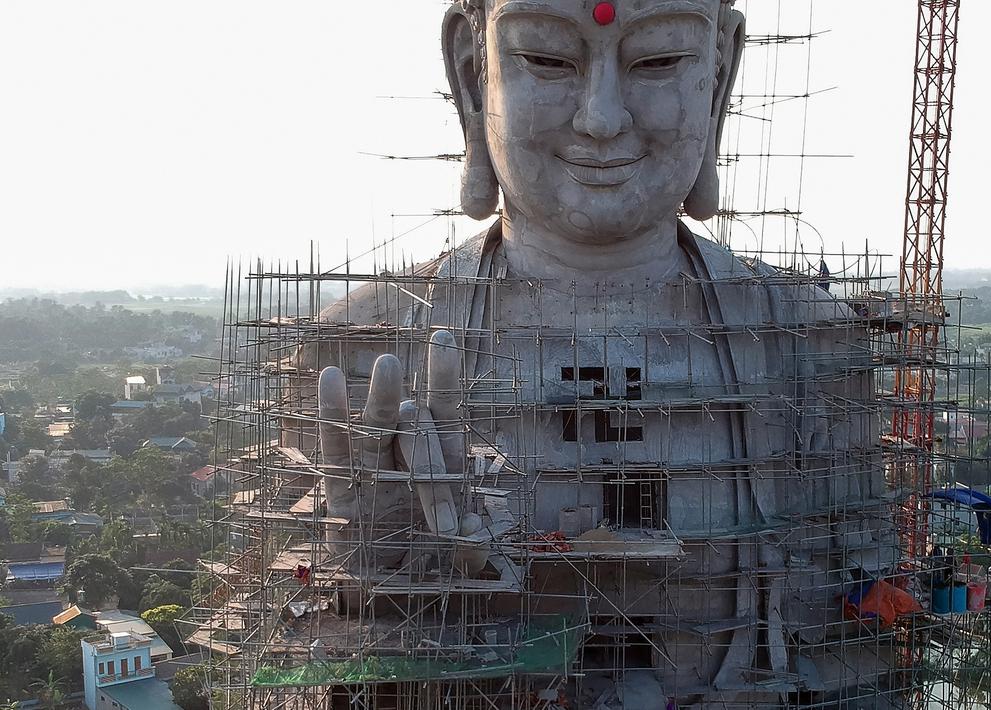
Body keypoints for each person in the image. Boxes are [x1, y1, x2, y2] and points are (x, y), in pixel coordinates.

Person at [291, 1, 885, 705]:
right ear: (472, 73)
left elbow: (854, 636)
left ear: (720, 74)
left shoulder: (809, 337)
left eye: (658, 60)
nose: (601, 118)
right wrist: (382, 574)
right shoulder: (360, 346)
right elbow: (305, 650)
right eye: (546, 59)